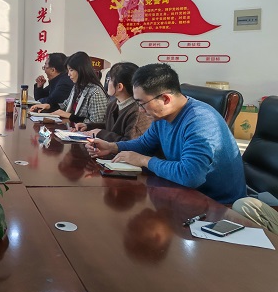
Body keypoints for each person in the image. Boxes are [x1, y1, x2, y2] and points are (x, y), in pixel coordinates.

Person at [85, 63, 246, 204]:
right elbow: (144, 144)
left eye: (142, 104)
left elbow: (190, 175)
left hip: (216, 205)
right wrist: (112, 147)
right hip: (182, 193)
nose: (140, 110)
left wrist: (143, 160)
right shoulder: (162, 116)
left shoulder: (200, 121)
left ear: (165, 99)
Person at [75, 62, 151, 142]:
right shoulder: (113, 104)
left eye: (110, 79)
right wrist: (89, 127)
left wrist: (101, 133)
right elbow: (111, 128)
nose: (107, 83)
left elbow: (128, 143)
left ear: (119, 86)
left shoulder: (138, 112)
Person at [31, 51, 107, 124]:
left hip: (85, 132)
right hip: (74, 129)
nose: (68, 74)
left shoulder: (95, 92)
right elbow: (65, 105)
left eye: (71, 70)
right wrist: (48, 106)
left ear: (81, 70)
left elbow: (97, 123)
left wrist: (69, 116)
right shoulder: (77, 87)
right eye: (68, 70)